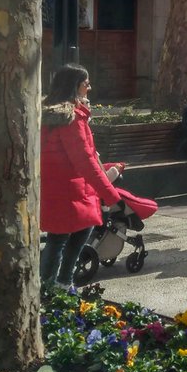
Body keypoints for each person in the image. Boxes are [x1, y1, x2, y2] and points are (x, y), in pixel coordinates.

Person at [39, 64, 122, 288]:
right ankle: (58, 285)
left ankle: (53, 285)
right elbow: (85, 160)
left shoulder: (46, 113)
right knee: (70, 238)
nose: (89, 88)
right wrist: (111, 195)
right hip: (73, 188)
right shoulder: (72, 118)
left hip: (55, 186)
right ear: (76, 86)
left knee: (59, 238)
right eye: (86, 84)